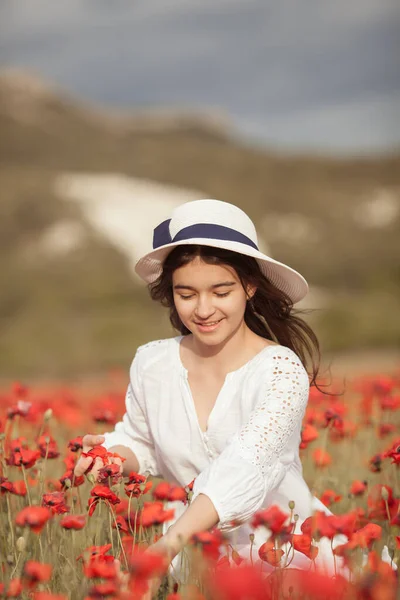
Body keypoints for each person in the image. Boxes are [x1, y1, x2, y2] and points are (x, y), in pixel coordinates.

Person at [74, 199, 344, 582]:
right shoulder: (152, 364)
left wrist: (167, 545)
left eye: (220, 292)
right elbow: (142, 441)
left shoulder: (280, 372)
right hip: (196, 556)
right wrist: (113, 458)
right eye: (187, 294)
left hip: (285, 555)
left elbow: (243, 468)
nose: (203, 309)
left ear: (249, 287)